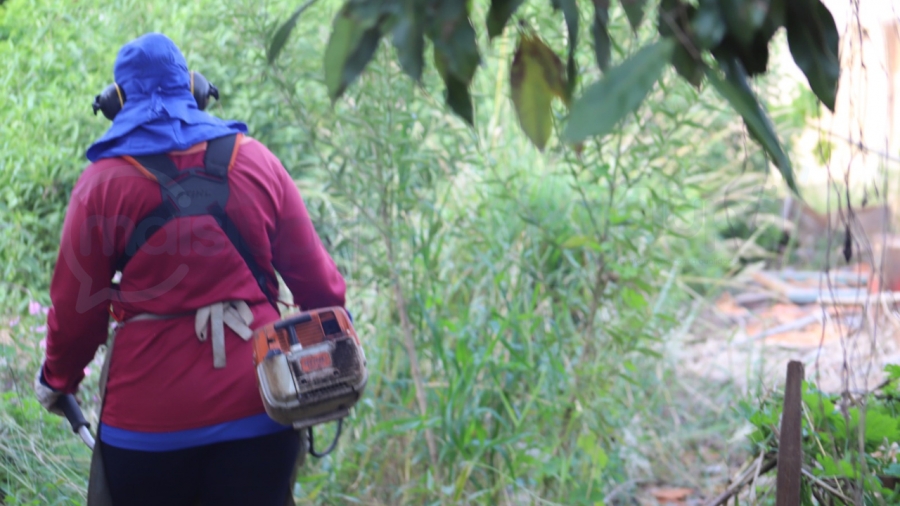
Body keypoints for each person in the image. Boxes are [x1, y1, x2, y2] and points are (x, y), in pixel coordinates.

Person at [32, 33, 347, 506]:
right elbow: (322, 289)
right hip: (263, 411)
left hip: (145, 432)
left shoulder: (101, 185)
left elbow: (76, 312)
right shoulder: (257, 161)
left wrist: (58, 380)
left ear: (117, 102)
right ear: (195, 89)